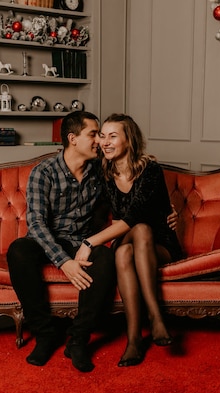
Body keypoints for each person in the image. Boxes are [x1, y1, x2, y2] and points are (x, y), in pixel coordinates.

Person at [6, 111, 116, 373]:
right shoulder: (43, 172)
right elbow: (37, 224)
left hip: (81, 242)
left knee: (106, 258)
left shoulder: (100, 173)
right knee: (18, 250)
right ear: (72, 138)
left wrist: (165, 210)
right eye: (93, 134)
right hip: (45, 243)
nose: (99, 141)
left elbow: (130, 199)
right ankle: (45, 334)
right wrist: (64, 262)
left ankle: (78, 339)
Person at [75, 113, 183, 367]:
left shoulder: (151, 171)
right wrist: (87, 239)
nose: (105, 142)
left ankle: (135, 338)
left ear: (129, 140)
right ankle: (153, 321)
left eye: (113, 136)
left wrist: (90, 243)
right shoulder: (103, 173)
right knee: (132, 239)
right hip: (126, 237)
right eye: (103, 136)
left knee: (139, 234)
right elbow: (104, 219)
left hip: (160, 244)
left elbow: (133, 218)